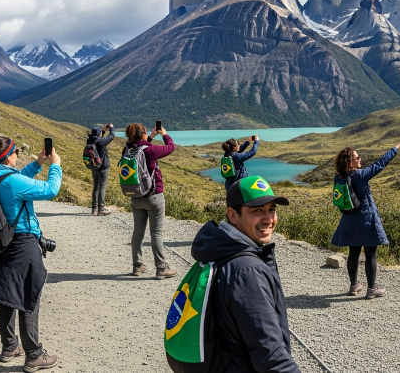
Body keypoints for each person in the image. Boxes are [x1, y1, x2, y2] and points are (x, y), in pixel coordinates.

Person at [188, 176, 299, 372]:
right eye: (257, 210)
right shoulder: (246, 271)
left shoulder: (219, 249)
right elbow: (271, 357)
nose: (269, 219)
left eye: (272, 209)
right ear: (232, 215)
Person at [0, 136, 61, 372]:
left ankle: (10, 346)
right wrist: (55, 165)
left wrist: (37, 164)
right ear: (8, 156)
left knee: (7, 296)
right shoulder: (12, 181)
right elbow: (51, 190)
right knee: (29, 298)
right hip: (23, 243)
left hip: (2, 242)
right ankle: (34, 355)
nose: (17, 155)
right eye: (16, 152)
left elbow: (14, 180)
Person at [331, 138, 400, 299]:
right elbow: (380, 163)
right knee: (370, 255)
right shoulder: (360, 175)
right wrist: (396, 148)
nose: (360, 159)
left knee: (353, 253)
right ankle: (372, 289)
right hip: (366, 220)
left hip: (349, 220)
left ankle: (354, 285)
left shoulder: (338, 178)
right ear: (350, 162)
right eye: (357, 157)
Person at [123, 122, 177, 279]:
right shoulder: (151, 150)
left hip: (135, 197)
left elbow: (140, 148)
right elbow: (170, 147)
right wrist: (164, 134)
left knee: (137, 232)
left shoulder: (127, 150)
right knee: (156, 233)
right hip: (153, 197)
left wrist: (151, 136)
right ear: (143, 135)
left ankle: (137, 266)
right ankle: (161, 268)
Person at [87, 124, 115, 216]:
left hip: (94, 166)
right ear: (99, 134)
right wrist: (111, 128)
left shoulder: (90, 140)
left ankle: (94, 208)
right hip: (103, 167)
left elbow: (98, 137)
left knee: (95, 187)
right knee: (102, 187)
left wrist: (103, 130)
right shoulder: (101, 142)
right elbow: (112, 136)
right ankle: (101, 208)